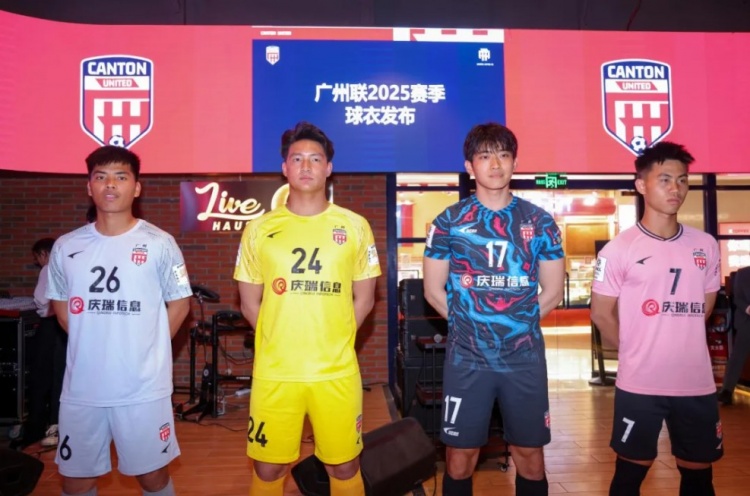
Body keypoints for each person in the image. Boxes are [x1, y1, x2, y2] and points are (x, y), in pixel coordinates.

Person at [234, 121, 381, 496]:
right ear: (284, 167)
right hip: (276, 371)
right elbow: (249, 303)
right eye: (296, 158)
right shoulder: (259, 229)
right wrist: (279, 338)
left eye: (315, 158)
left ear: (328, 168)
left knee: (344, 464)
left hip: (335, 371)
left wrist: (336, 339)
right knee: (268, 467)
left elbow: (365, 299)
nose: (305, 166)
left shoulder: (355, 226)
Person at [423, 122, 565, 496]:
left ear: (515, 163)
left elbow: (553, 291)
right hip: (467, 359)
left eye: (503, 155)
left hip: (524, 358)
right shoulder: (449, 221)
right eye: (485, 156)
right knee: (460, 458)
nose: (496, 164)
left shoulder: (540, 222)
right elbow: (433, 291)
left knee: (530, 457)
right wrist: (473, 326)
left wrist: (515, 325)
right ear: (470, 166)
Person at [46, 146, 192, 496]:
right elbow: (61, 307)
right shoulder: (66, 246)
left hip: (142, 389)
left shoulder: (161, 243)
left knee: (152, 477)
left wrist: (150, 350)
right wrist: (93, 343)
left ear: (136, 187)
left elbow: (180, 304)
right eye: (101, 177)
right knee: (76, 481)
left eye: (120, 177)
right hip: (83, 388)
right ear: (89, 186)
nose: (110, 184)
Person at [590, 141, 722, 496]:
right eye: (664, 179)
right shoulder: (619, 249)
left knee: (699, 475)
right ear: (641, 185)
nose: (675, 188)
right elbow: (601, 313)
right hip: (640, 385)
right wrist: (634, 352)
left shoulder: (706, 244)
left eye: (682, 180)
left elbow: (705, 307)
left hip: (695, 382)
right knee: (630, 472)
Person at [25, 237, 67, 448]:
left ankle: (39, 427)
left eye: (37, 257)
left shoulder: (49, 268)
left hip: (51, 325)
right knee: (59, 376)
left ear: (44, 253)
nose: (38, 262)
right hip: (63, 325)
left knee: (42, 378)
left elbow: (41, 300)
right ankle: (55, 423)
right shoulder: (68, 267)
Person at [718, 266, 750, 405]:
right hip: (746, 320)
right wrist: (748, 308)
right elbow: (737, 298)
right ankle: (727, 391)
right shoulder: (743, 273)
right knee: (737, 357)